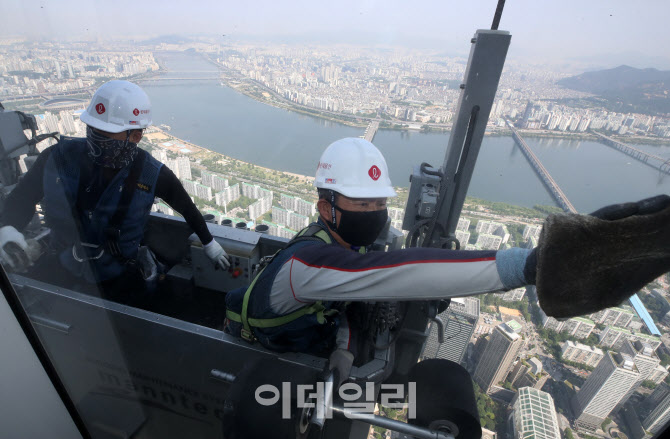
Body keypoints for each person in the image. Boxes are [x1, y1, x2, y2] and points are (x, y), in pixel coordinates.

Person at [224, 137, 670, 356]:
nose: (376, 213)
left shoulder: (328, 238)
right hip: (267, 359)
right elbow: (401, 271)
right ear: (327, 208)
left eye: (381, 203)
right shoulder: (309, 262)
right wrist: (528, 265)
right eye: (363, 203)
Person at [0, 80, 229, 301]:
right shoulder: (57, 159)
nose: (96, 139)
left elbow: (186, 208)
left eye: (107, 134)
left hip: (118, 274)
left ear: (136, 136)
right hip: (62, 263)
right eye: (93, 129)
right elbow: (22, 198)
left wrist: (209, 243)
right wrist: (7, 226)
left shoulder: (150, 173)